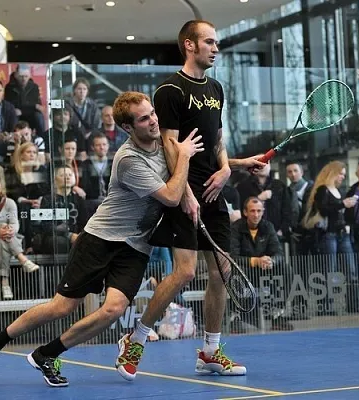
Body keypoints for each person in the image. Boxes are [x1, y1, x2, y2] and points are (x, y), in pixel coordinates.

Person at [0, 91, 204, 387]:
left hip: (136, 247)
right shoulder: (128, 159)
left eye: (153, 113)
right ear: (128, 128)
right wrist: (183, 156)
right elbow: (171, 196)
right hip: (100, 239)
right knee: (61, 307)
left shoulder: (166, 146)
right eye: (144, 118)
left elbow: (186, 172)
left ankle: (47, 354)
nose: (154, 121)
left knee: (114, 309)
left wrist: (237, 164)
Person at [115, 19, 264, 381]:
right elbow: (169, 146)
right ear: (189, 45)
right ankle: (134, 339)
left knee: (221, 271)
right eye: (209, 42)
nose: (215, 48)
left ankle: (210, 352)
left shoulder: (215, 88)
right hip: (184, 190)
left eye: (216, 43)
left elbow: (217, 140)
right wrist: (185, 195)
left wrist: (228, 169)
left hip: (216, 190)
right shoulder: (170, 90)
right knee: (183, 272)